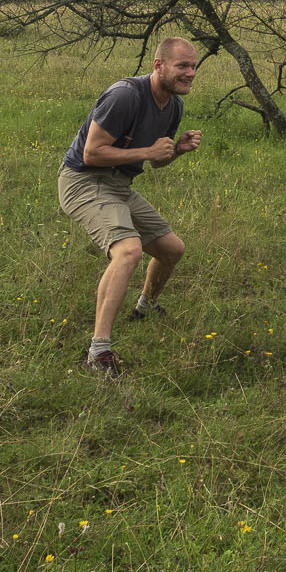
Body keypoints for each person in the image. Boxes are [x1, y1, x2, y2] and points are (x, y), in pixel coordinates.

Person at [57, 37, 203, 377]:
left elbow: (157, 161)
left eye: (193, 66)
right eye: (183, 66)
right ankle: (98, 352)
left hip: (119, 184)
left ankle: (144, 307)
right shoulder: (125, 95)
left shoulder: (174, 105)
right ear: (159, 66)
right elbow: (91, 153)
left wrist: (176, 150)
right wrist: (146, 152)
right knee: (128, 251)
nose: (191, 73)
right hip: (83, 180)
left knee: (172, 250)